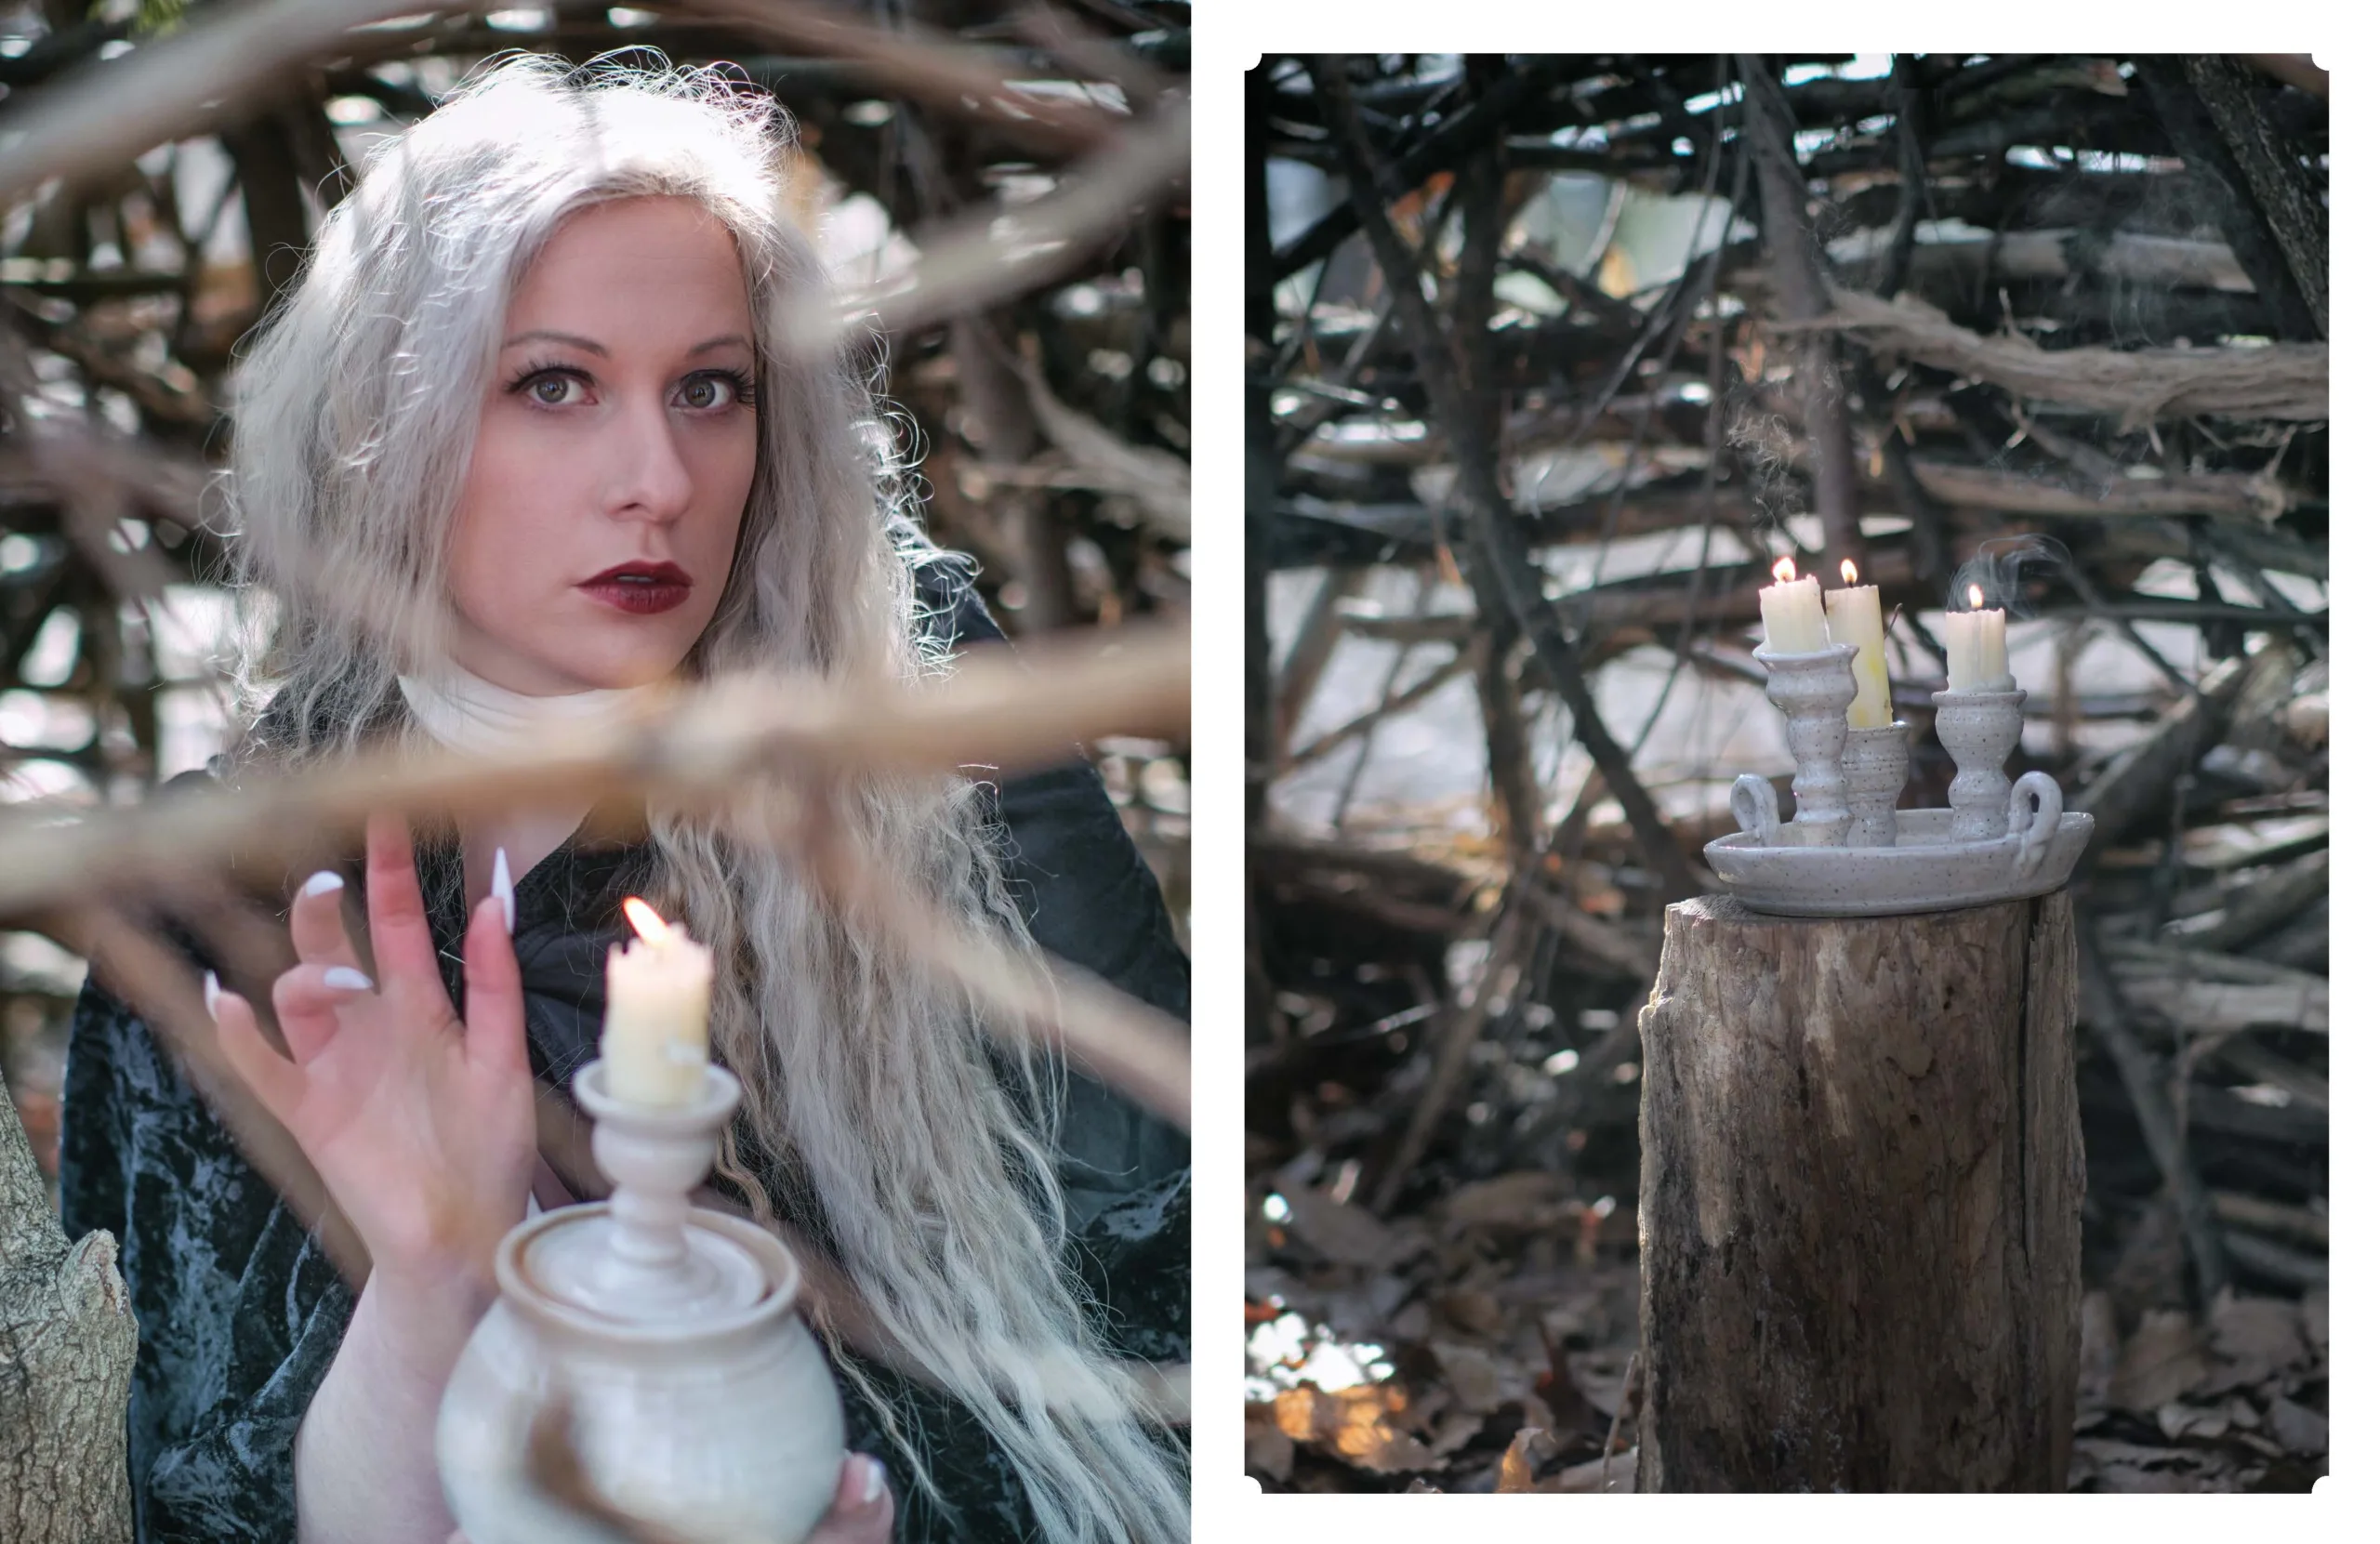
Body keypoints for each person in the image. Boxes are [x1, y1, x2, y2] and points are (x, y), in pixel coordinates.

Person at [58, 54, 1188, 1544]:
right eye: (554, 385)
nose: (657, 477)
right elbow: (207, 1502)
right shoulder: (230, 902)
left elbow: (1150, 1285)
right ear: (387, 433)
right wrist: (432, 1284)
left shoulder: (921, 730)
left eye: (709, 389)